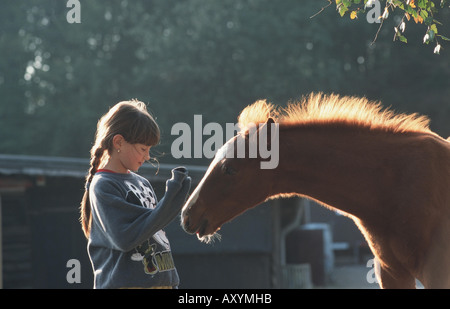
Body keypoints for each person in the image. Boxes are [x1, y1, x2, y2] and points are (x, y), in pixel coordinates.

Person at [79, 99, 191, 289]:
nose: (147, 156)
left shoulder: (142, 183)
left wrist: (169, 283)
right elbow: (126, 237)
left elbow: (155, 231)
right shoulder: (103, 185)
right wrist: (171, 197)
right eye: (142, 149)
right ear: (119, 142)